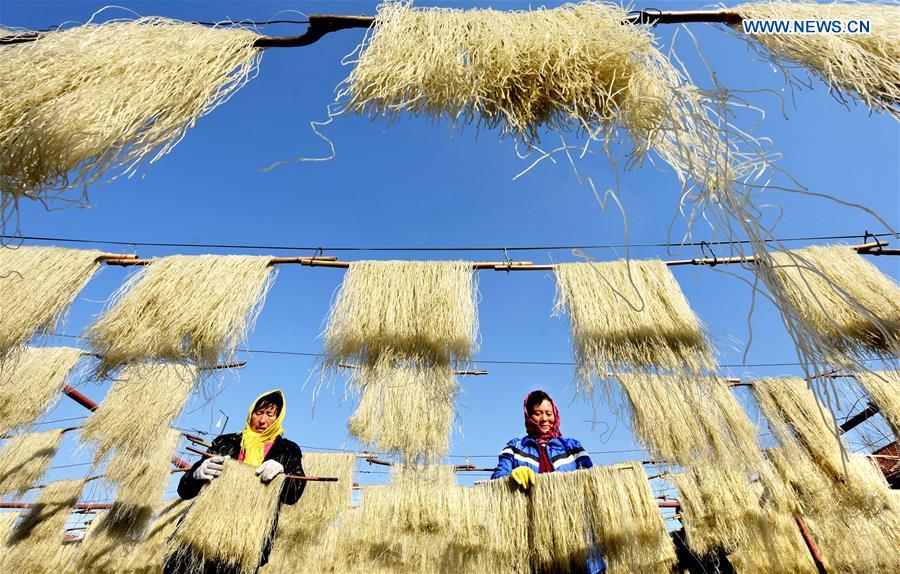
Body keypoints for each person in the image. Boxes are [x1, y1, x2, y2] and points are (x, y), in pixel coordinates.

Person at [167, 389, 305, 574]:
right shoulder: (226, 442)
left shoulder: (287, 450)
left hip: (245, 546)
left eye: (270, 414)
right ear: (251, 414)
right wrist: (196, 474)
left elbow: (293, 495)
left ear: (278, 418)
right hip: (198, 537)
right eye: (258, 413)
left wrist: (283, 474)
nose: (262, 420)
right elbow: (185, 491)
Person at [491, 389, 604, 574]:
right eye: (537, 413)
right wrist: (511, 477)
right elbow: (496, 482)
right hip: (534, 538)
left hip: (575, 537)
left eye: (549, 413)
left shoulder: (572, 446)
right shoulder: (514, 448)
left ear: (555, 414)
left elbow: (592, 481)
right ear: (528, 415)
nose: (544, 419)